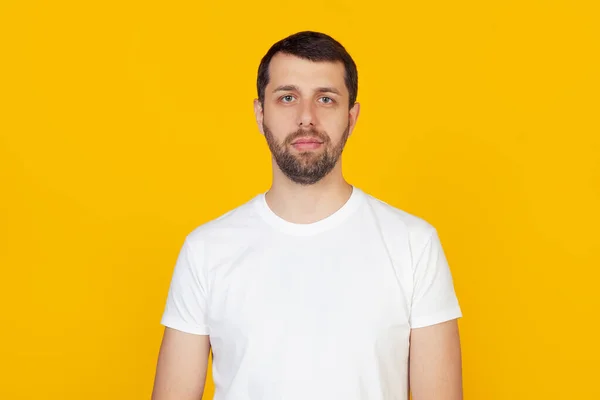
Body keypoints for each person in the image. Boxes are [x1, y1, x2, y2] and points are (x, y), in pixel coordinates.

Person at [151, 31, 463, 400]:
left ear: (352, 116)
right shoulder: (205, 251)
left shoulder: (414, 245)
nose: (306, 118)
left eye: (325, 99)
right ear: (259, 112)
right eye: (287, 97)